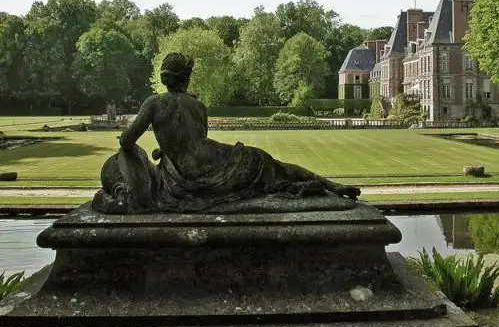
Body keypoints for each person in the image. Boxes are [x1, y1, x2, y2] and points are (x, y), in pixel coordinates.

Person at [104, 53, 359, 213]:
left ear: (165, 78)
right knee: (269, 163)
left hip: (183, 175)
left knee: (270, 169)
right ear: (186, 78)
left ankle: (328, 187)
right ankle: (331, 186)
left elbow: (128, 141)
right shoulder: (197, 104)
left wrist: (162, 151)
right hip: (214, 162)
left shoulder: (153, 103)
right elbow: (197, 140)